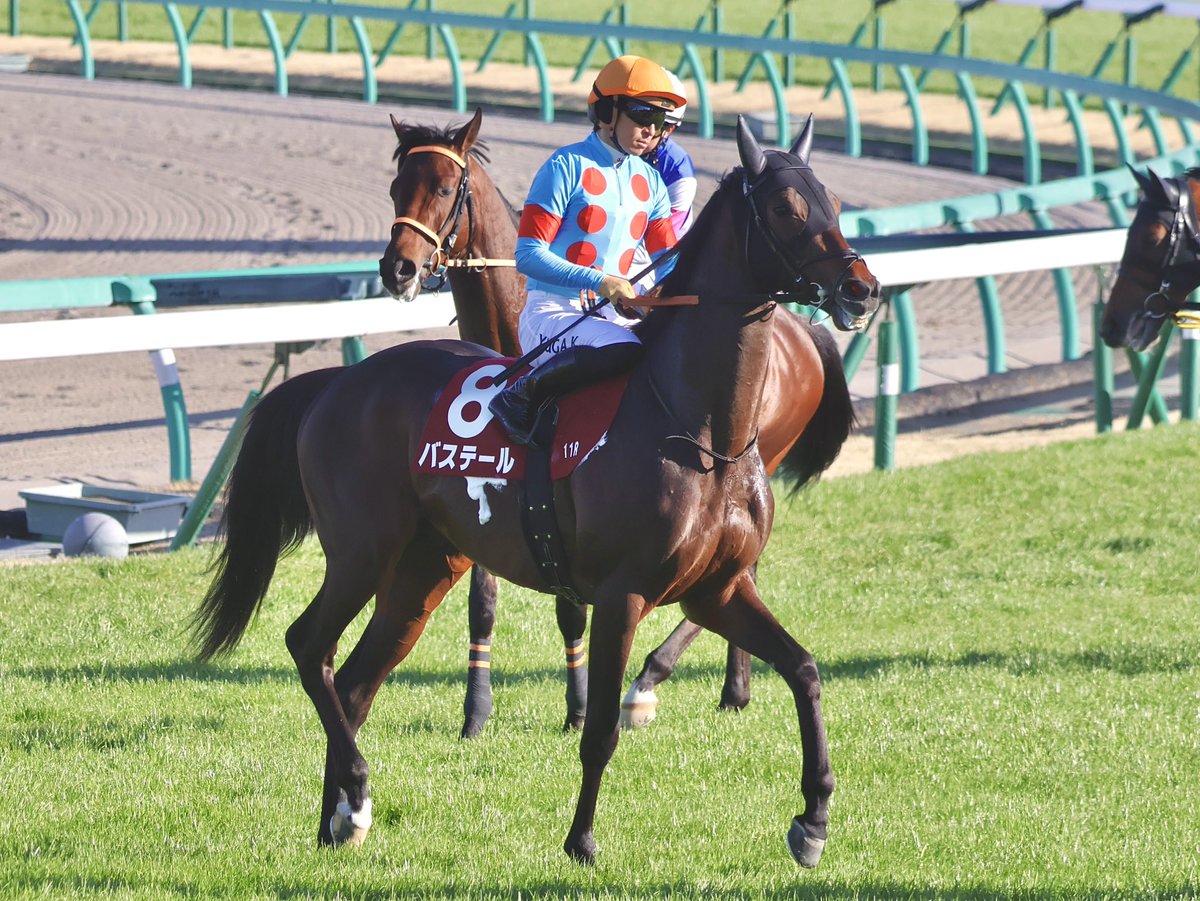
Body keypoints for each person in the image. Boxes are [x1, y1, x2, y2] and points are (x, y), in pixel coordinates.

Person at [487, 55, 685, 446]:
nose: (651, 130)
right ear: (609, 112)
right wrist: (601, 281)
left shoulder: (651, 182)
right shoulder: (565, 166)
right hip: (551, 314)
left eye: (661, 121)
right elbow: (528, 255)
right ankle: (519, 396)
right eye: (643, 115)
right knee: (623, 349)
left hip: (611, 318)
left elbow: (670, 263)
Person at [633, 68, 698, 291]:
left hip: (651, 266)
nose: (642, 129)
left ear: (669, 129)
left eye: (655, 122)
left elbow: (662, 245)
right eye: (635, 116)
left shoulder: (679, 171)